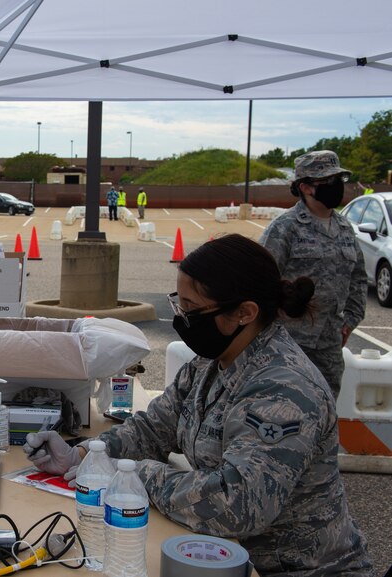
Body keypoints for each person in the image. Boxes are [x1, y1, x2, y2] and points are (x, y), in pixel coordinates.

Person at [24, 234, 372, 577]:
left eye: (192, 309)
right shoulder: (213, 362)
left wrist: (132, 474)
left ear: (245, 313)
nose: (181, 318)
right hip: (223, 556)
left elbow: (237, 504)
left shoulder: (283, 391)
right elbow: (155, 427)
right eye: (180, 304)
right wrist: (86, 456)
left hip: (299, 569)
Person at [260, 150, 367, 399]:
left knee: (326, 409)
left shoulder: (344, 228)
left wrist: (350, 321)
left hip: (329, 344)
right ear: (306, 187)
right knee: (283, 408)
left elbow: (358, 279)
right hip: (287, 342)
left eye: (339, 180)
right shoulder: (284, 228)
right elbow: (260, 282)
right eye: (329, 182)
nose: (337, 187)